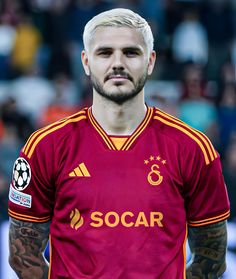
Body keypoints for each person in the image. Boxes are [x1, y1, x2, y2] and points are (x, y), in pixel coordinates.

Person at [8, 8, 230, 279]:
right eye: (105, 52)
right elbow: (23, 253)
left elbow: (212, 255)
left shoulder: (193, 148)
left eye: (130, 52)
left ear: (150, 61)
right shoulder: (44, 147)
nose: (117, 63)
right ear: (86, 61)